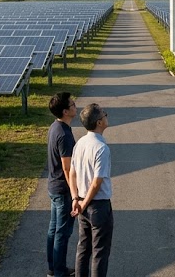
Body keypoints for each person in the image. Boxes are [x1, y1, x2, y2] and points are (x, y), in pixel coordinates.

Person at [69, 103, 113, 277]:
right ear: (99, 122)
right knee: (100, 252)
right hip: (98, 205)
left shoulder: (80, 143)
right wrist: (85, 203)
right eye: (104, 114)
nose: (106, 116)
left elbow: (72, 173)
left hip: (80, 202)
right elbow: (96, 182)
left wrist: (76, 200)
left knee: (83, 248)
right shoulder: (101, 148)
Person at [46, 92, 78, 277]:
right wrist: (75, 194)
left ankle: (53, 267)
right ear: (66, 111)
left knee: (53, 229)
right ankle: (59, 271)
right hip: (62, 190)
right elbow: (67, 169)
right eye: (72, 104)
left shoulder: (54, 127)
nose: (75, 105)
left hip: (53, 186)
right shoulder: (64, 135)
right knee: (62, 232)